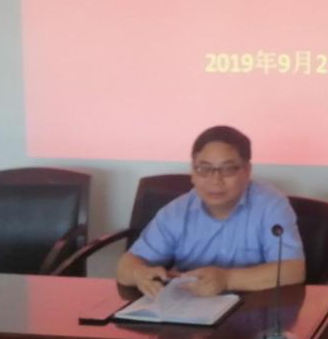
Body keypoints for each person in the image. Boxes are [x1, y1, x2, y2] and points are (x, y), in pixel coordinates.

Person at [117, 125, 305, 298]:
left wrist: (227, 279)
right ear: (193, 172)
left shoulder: (271, 205)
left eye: (227, 169)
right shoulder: (176, 213)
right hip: (189, 311)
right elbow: (126, 267)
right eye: (204, 169)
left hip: (255, 308)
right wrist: (139, 274)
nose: (215, 180)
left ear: (247, 170)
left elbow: (293, 270)